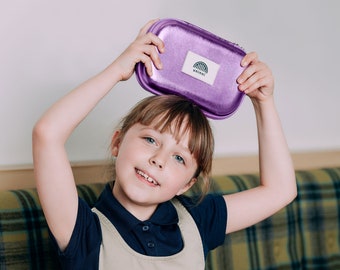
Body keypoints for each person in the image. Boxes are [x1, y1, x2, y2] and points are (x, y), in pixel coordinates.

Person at [32, 19, 297, 269]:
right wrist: (116, 70)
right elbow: (47, 134)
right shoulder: (84, 231)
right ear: (117, 143)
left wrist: (264, 103)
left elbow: (280, 190)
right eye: (150, 140)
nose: (158, 159)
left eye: (179, 158)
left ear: (187, 184)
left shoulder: (198, 219)